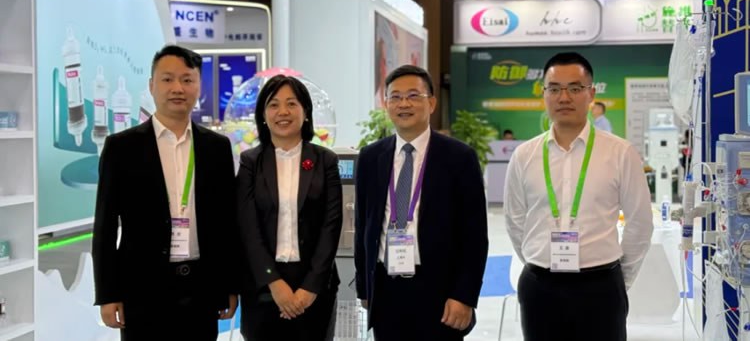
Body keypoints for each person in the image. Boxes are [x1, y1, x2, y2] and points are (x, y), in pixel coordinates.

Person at [504, 52, 653, 341]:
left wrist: (618, 278)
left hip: (600, 287)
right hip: (540, 287)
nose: (564, 97)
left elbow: (640, 223)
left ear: (591, 94)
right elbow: (515, 220)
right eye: (554, 89)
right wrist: (539, 262)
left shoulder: (620, 153)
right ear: (544, 94)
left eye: (574, 88)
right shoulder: (524, 155)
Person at [92, 45, 238, 340]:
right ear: (151, 86)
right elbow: (105, 225)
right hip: (142, 287)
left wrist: (230, 285)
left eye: (187, 80)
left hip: (201, 286)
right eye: (167, 79)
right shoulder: (121, 147)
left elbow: (227, 224)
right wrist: (107, 293)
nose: (177, 88)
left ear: (198, 86)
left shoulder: (217, 147)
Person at [355, 65, 489, 341]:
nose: (404, 104)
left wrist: (463, 296)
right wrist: (365, 289)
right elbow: (363, 226)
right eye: (395, 97)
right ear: (386, 104)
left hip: (439, 293)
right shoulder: (370, 157)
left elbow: (474, 235)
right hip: (386, 289)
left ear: (431, 103)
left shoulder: (459, 157)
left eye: (413, 96)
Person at [236, 75, 342, 341]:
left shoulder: (325, 161)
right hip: (263, 287)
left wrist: (310, 288)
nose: (283, 111)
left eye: (291, 104)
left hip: (314, 287)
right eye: (274, 105)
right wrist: (274, 282)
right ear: (263, 115)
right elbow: (248, 228)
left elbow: (331, 226)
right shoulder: (250, 162)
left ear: (305, 112)